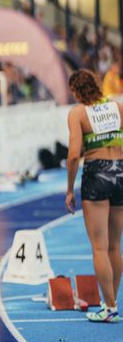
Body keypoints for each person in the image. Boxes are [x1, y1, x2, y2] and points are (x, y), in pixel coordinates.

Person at [66, 69, 123, 323]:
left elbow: (73, 155)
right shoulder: (117, 107)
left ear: (76, 91)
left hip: (97, 174)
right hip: (121, 171)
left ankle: (109, 307)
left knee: (99, 247)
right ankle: (111, 303)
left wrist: (69, 189)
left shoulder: (78, 113)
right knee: (115, 246)